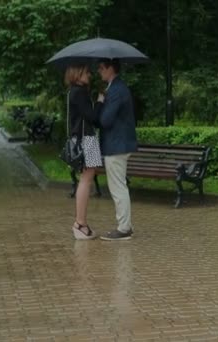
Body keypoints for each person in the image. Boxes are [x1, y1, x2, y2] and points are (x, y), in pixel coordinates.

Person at [96, 58, 138, 241]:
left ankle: (124, 228)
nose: (99, 71)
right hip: (118, 144)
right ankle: (125, 225)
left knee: (118, 187)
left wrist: (100, 102)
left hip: (116, 145)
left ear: (111, 68)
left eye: (102, 68)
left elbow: (105, 120)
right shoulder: (116, 88)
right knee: (119, 186)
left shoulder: (116, 90)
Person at [65, 65, 103, 240]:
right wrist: (100, 102)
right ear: (78, 73)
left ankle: (81, 224)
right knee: (86, 180)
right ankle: (80, 224)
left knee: (87, 178)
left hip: (83, 139)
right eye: (87, 72)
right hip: (86, 139)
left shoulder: (75, 91)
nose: (90, 74)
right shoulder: (79, 92)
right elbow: (93, 118)